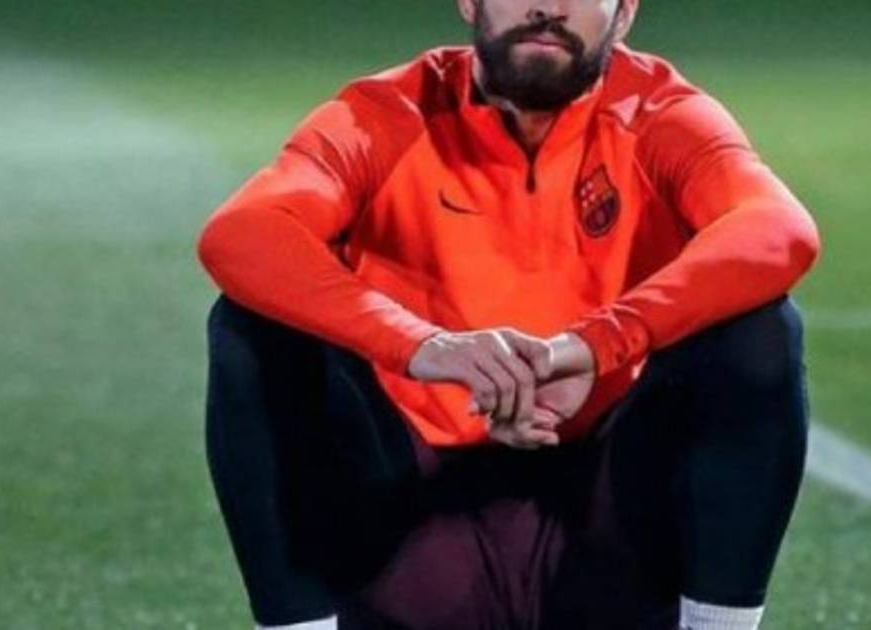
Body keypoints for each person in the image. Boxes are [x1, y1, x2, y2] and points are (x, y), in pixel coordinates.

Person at [196, 1, 820, 628]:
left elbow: (776, 229)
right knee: (253, 327)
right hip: (412, 535)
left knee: (759, 330)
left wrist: (594, 345)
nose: (548, 7)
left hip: (605, 537)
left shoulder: (657, 112)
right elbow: (242, 235)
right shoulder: (389, 112)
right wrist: (423, 346)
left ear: (625, 11)